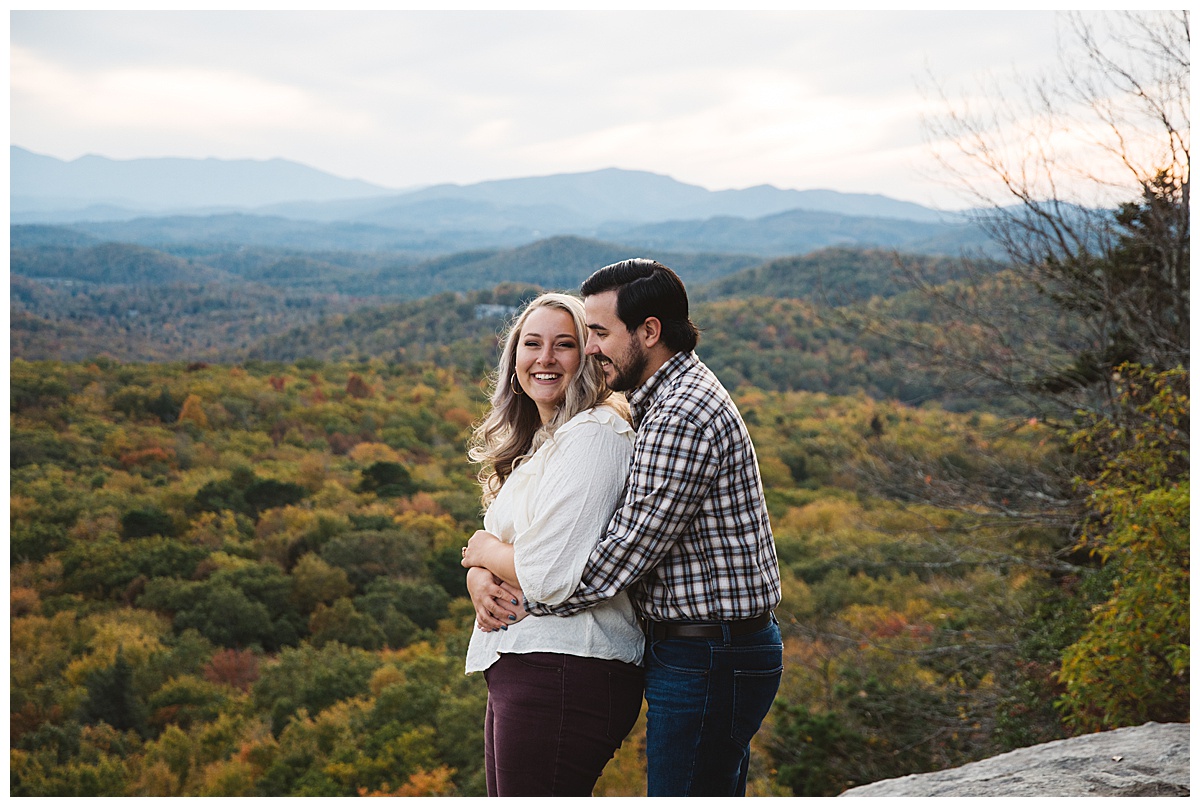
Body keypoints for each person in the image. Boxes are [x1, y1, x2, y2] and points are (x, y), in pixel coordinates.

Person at [464, 259, 783, 797]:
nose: (591, 349)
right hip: (698, 647)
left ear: (649, 331)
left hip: (709, 652)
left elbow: (605, 565)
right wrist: (483, 573)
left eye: (598, 333)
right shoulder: (655, 404)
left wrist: (491, 564)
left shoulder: (676, 416)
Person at [460, 291, 645, 797]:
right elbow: (505, 545)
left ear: (588, 355)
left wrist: (481, 554)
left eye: (563, 345)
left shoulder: (596, 434)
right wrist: (479, 574)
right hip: (525, 661)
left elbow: (547, 573)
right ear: (513, 355)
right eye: (532, 343)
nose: (544, 359)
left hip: (567, 667)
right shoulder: (547, 441)